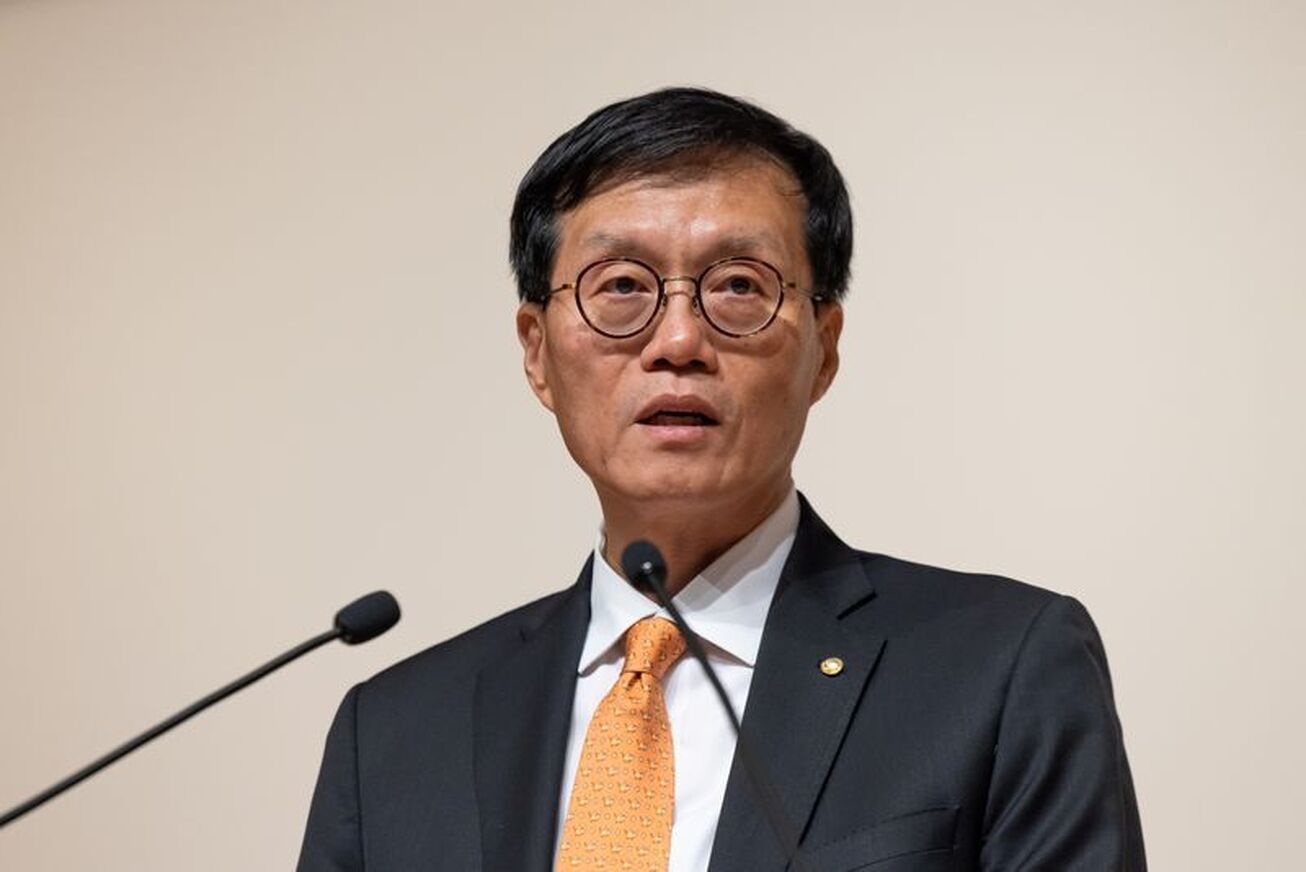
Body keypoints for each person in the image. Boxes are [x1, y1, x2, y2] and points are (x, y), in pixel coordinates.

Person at [297, 87, 1145, 872]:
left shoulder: (999, 668)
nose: (678, 342)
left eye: (739, 286)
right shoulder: (395, 735)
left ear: (825, 349)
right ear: (537, 353)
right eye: (620, 286)